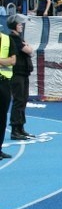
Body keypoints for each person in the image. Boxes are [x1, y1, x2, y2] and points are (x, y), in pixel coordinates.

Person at [7, 14, 33, 140]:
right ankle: (15, 129)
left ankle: (21, 127)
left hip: (23, 73)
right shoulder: (13, 38)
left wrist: (28, 47)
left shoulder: (18, 37)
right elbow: (28, 50)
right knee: (18, 100)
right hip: (17, 73)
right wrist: (28, 46)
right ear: (14, 26)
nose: (21, 25)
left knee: (23, 99)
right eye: (19, 24)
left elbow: (29, 49)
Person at [0, 20, 17, 159]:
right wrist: (3, 60)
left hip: (4, 83)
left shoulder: (7, 39)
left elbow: (12, 61)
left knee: (2, 117)